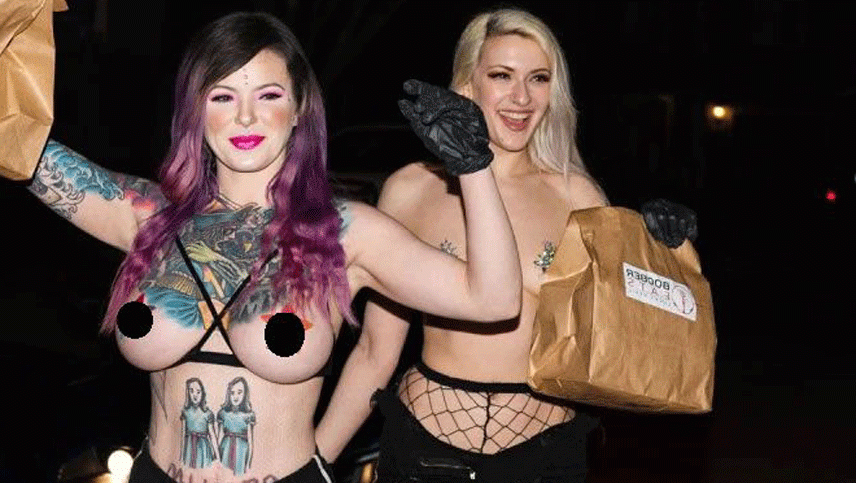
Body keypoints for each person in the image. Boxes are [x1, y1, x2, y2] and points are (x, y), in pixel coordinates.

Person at [15, 11, 521, 483]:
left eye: (268, 95)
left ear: (299, 108)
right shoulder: (150, 216)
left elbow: (494, 299)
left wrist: (472, 166)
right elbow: (19, 145)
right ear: (195, 110)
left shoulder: (343, 233)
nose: (245, 117)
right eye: (222, 97)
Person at [315, 8, 697, 483]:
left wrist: (665, 257)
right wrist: (316, 461)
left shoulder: (576, 196)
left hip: (546, 456)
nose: (521, 97)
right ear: (468, 84)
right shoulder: (411, 190)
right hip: (423, 452)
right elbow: (376, 350)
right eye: (501, 76)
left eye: (539, 78)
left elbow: (628, 335)